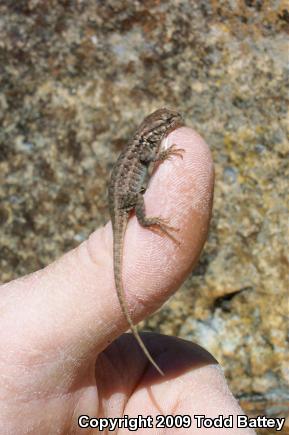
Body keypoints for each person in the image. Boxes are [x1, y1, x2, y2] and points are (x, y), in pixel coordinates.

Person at [0, 127, 254, 433]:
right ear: (155, 131)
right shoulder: (144, 147)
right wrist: (161, 163)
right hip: (125, 197)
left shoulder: (142, 144)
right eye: (168, 123)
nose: (173, 124)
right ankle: (148, 222)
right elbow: (149, 158)